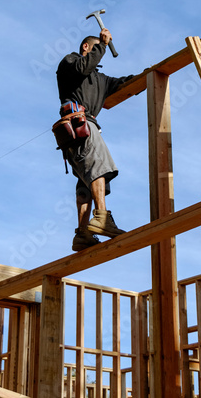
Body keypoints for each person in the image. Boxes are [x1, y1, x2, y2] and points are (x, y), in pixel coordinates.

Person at [56, 28, 134, 251]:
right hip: (79, 124)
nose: (100, 52)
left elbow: (123, 83)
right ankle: (101, 217)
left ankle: (82, 234)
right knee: (99, 167)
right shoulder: (70, 62)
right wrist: (102, 45)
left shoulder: (100, 79)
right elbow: (83, 66)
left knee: (86, 181)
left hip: (81, 130)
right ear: (86, 48)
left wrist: (145, 75)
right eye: (96, 48)